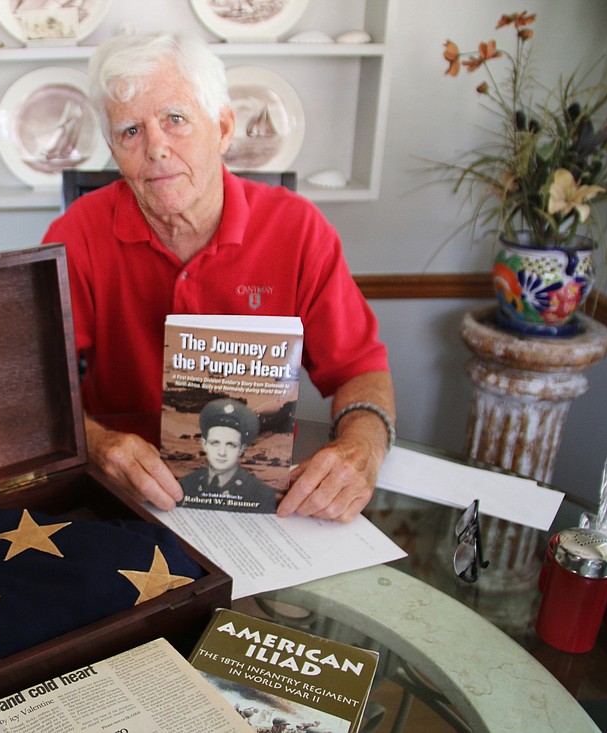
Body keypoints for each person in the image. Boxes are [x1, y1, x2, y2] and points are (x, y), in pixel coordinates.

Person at [42, 32, 395, 522]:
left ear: (224, 128)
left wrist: (363, 448)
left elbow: (360, 369)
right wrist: (98, 444)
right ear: (113, 149)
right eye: (131, 131)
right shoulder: (77, 232)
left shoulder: (298, 230)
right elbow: (36, 386)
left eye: (176, 120)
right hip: (127, 496)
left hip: (262, 499)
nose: (157, 149)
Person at [178, 398, 277, 513]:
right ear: (204, 445)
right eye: (215, 443)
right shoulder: (186, 484)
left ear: (241, 449)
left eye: (231, 445)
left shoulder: (262, 494)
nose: (222, 452)